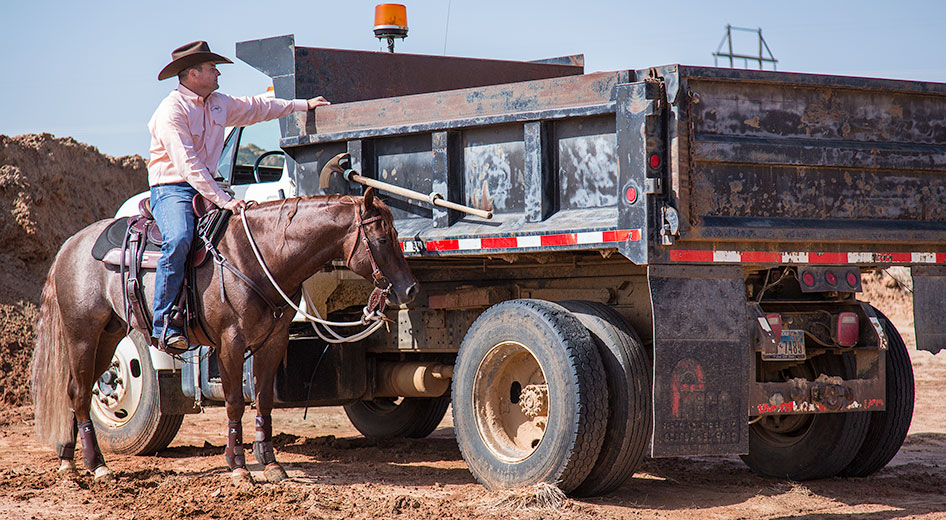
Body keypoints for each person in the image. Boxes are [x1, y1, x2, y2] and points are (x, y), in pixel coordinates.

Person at [148, 41, 330, 352]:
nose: (217, 72)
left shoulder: (219, 102)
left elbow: (258, 107)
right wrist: (225, 199)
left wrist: (302, 105)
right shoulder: (170, 112)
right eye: (211, 68)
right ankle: (164, 323)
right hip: (173, 188)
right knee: (178, 238)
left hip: (209, 185)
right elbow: (188, 166)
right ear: (192, 74)